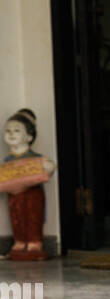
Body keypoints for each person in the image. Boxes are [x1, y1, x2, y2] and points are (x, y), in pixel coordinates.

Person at [1, 108, 55, 260]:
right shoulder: (7, 160)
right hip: (13, 195)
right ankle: (19, 240)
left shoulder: (34, 157)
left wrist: (48, 167)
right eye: (8, 130)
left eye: (17, 130)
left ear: (29, 137)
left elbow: (48, 166)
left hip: (32, 193)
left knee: (32, 216)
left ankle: (34, 241)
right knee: (16, 216)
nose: (11, 134)